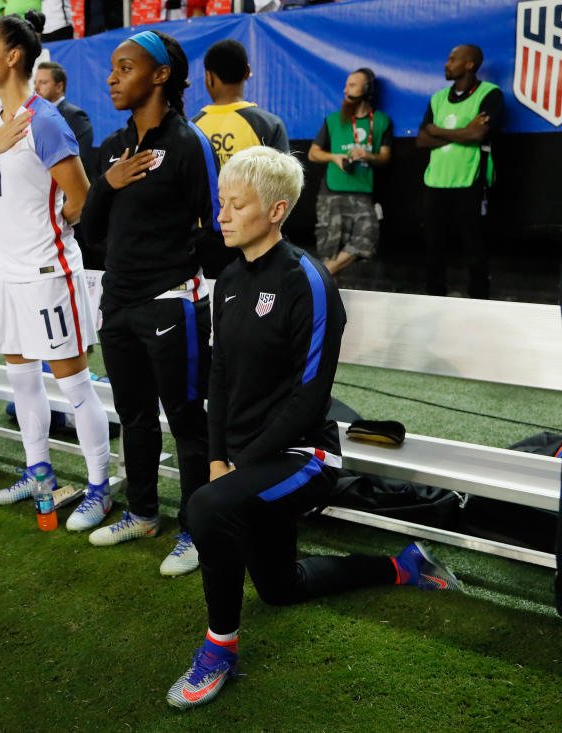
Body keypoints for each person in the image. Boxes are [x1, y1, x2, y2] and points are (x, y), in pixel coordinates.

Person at [166, 146, 463, 710]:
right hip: (246, 461)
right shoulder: (227, 279)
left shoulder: (309, 281)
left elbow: (310, 400)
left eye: (237, 205)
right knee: (280, 589)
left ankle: (219, 651)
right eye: (220, 203)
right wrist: (217, 458)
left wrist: (237, 466)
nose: (222, 215)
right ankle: (402, 564)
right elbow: (221, 376)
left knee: (205, 508)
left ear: (276, 210)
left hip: (304, 456)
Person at [0, 12, 111, 528]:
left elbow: (82, 196)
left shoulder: (44, 119)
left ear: (13, 56)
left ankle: (98, 488)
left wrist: (53, 232)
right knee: (21, 380)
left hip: (50, 274)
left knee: (74, 384)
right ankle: (39, 473)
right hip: (7, 273)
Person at [79, 30, 223, 575]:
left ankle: (197, 529)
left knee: (187, 419)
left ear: (160, 76)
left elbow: (216, 225)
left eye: (125, 67)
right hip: (117, 302)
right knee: (134, 414)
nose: (112, 77)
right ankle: (142, 511)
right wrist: (107, 183)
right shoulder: (114, 146)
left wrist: (202, 288)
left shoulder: (188, 143)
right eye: (113, 68)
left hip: (170, 302)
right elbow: (90, 234)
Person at [416, 44, 503, 300]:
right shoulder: (438, 98)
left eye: (453, 59)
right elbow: (421, 140)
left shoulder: (490, 94)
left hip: (470, 182)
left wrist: (437, 130)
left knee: (474, 248)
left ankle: (479, 300)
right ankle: (434, 298)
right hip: (436, 182)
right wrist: (463, 132)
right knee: (434, 248)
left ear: (470, 64)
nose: (447, 63)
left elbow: (479, 133)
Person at [307, 68, 392, 276]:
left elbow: (385, 156)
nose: (345, 90)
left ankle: (318, 276)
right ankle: (326, 292)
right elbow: (313, 153)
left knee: (368, 238)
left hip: (363, 192)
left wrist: (368, 156)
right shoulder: (333, 119)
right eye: (346, 85)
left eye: (352, 85)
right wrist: (334, 157)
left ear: (367, 89)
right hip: (332, 192)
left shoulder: (381, 121)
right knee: (330, 248)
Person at [191, 39, 288, 165]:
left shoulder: (192, 127)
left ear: (208, 77)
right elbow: (285, 179)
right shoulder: (270, 125)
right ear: (247, 72)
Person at [34, 60, 93, 178]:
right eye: (35, 83)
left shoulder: (76, 117)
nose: (36, 88)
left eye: (43, 83)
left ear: (59, 86)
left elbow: (79, 162)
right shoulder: (31, 116)